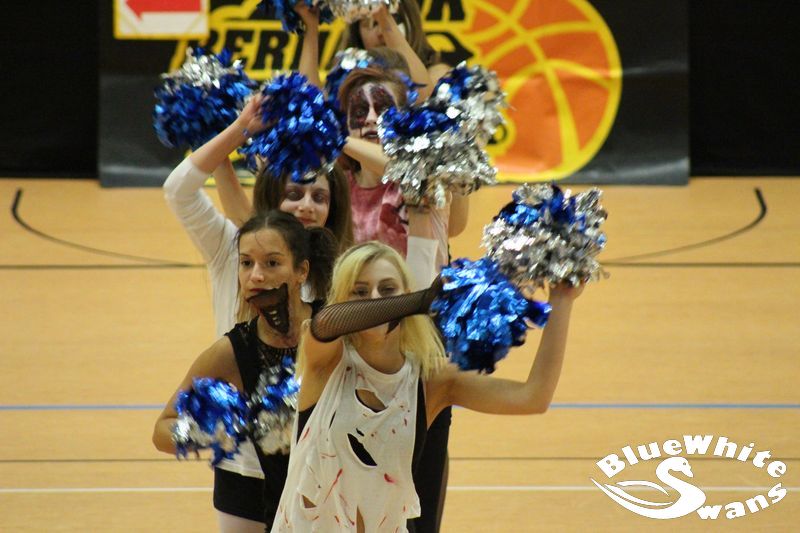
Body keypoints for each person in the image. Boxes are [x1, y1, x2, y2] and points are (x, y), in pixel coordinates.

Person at [272, 241, 582, 531]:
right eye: (360, 291)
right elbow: (326, 322)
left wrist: (562, 300)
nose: (376, 298)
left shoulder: (431, 380)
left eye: (388, 289)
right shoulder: (326, 361)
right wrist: (422, 300)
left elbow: (532, 397)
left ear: (404, 293)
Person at [162, 95, 352, 531]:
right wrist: (241, 129)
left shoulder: (340, 275)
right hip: (244, 469)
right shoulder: (232, 251)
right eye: (294, 193)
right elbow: (178, 190)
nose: (306, 205)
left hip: (318, 463)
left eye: (319, 196)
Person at [153, 210, 337, 529]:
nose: (256, 276)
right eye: (246, 263)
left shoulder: (335, 324)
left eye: (272, 263)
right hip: (283, 516)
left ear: (301, 271)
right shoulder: (231, 352)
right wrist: (214, 429)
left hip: (347, 503)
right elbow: (161, 431)